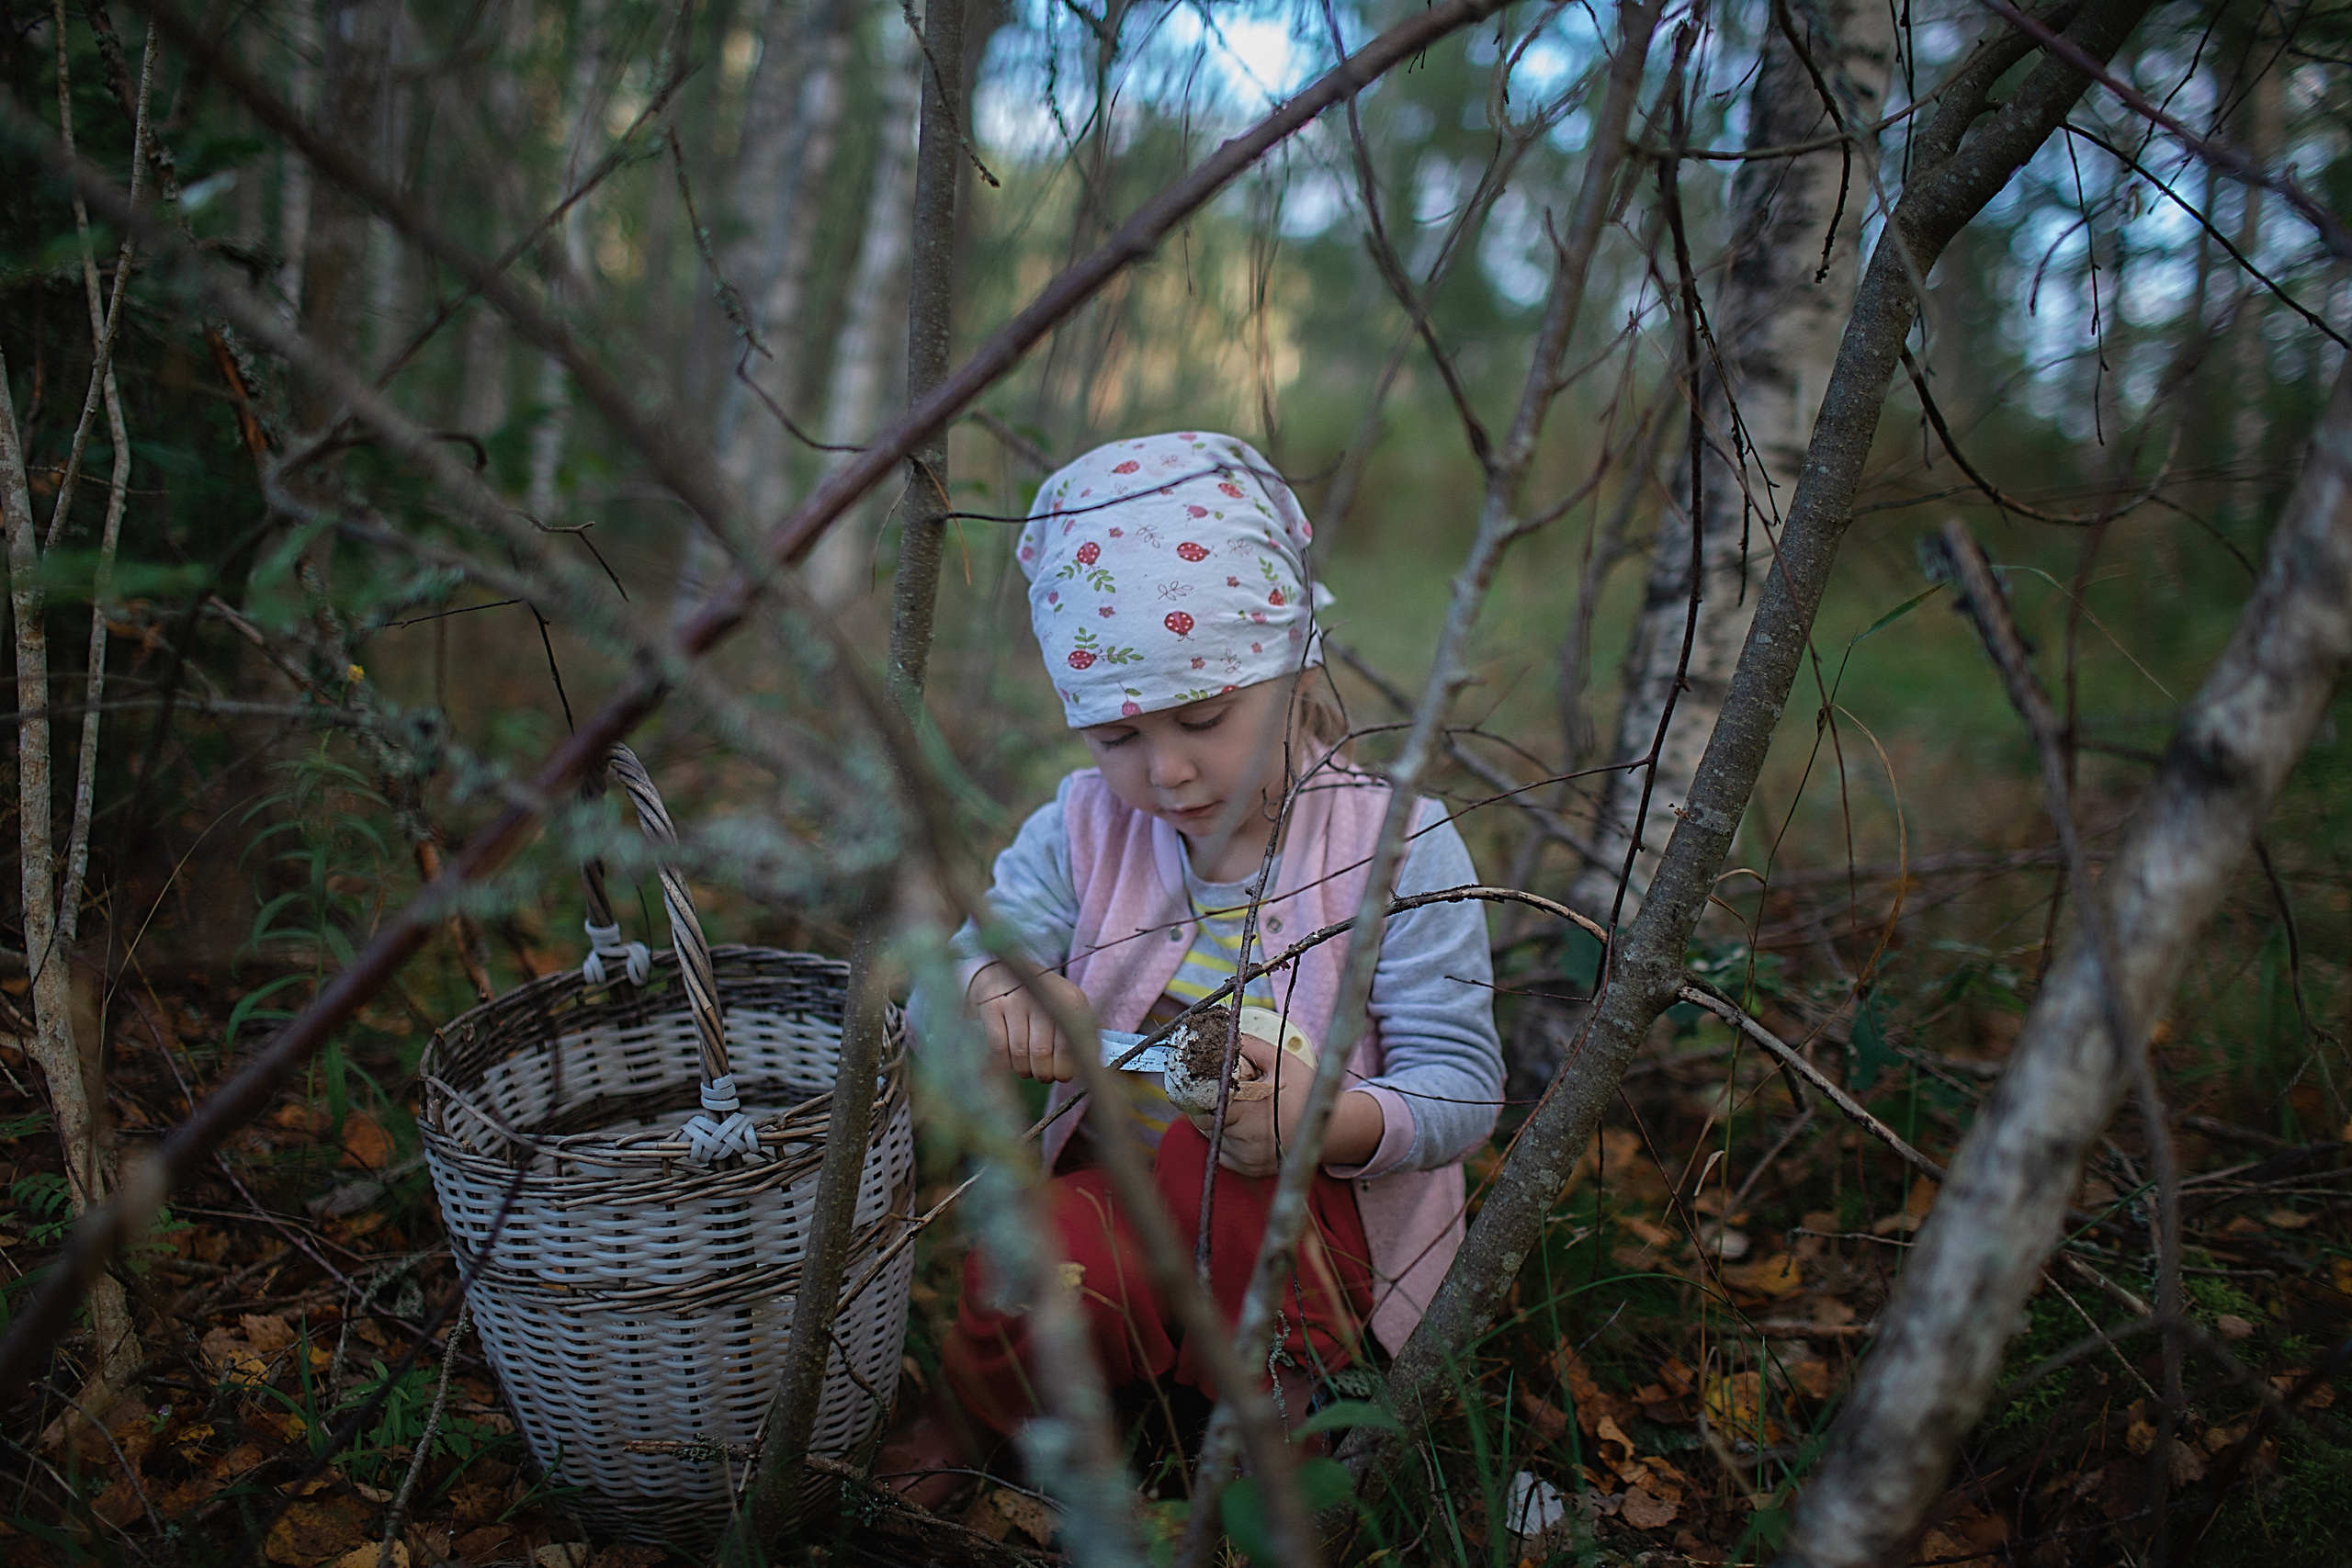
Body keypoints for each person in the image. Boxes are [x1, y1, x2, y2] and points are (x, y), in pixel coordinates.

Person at [886, 431, 1501, 1505]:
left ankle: (1280, 1434)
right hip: (1122, 1212)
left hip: (1314, 1234)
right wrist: (996, 987)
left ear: (1294, 668)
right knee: (1030, 1262)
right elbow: (960, 976)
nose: (1166, 772)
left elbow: (1462, 1085)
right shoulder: (1083, 831)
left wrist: (1332, 1118)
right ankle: (972, 1415)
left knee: (1218, 1167)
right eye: (1115, 737)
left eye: (1203, 719)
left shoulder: (1396, 843)